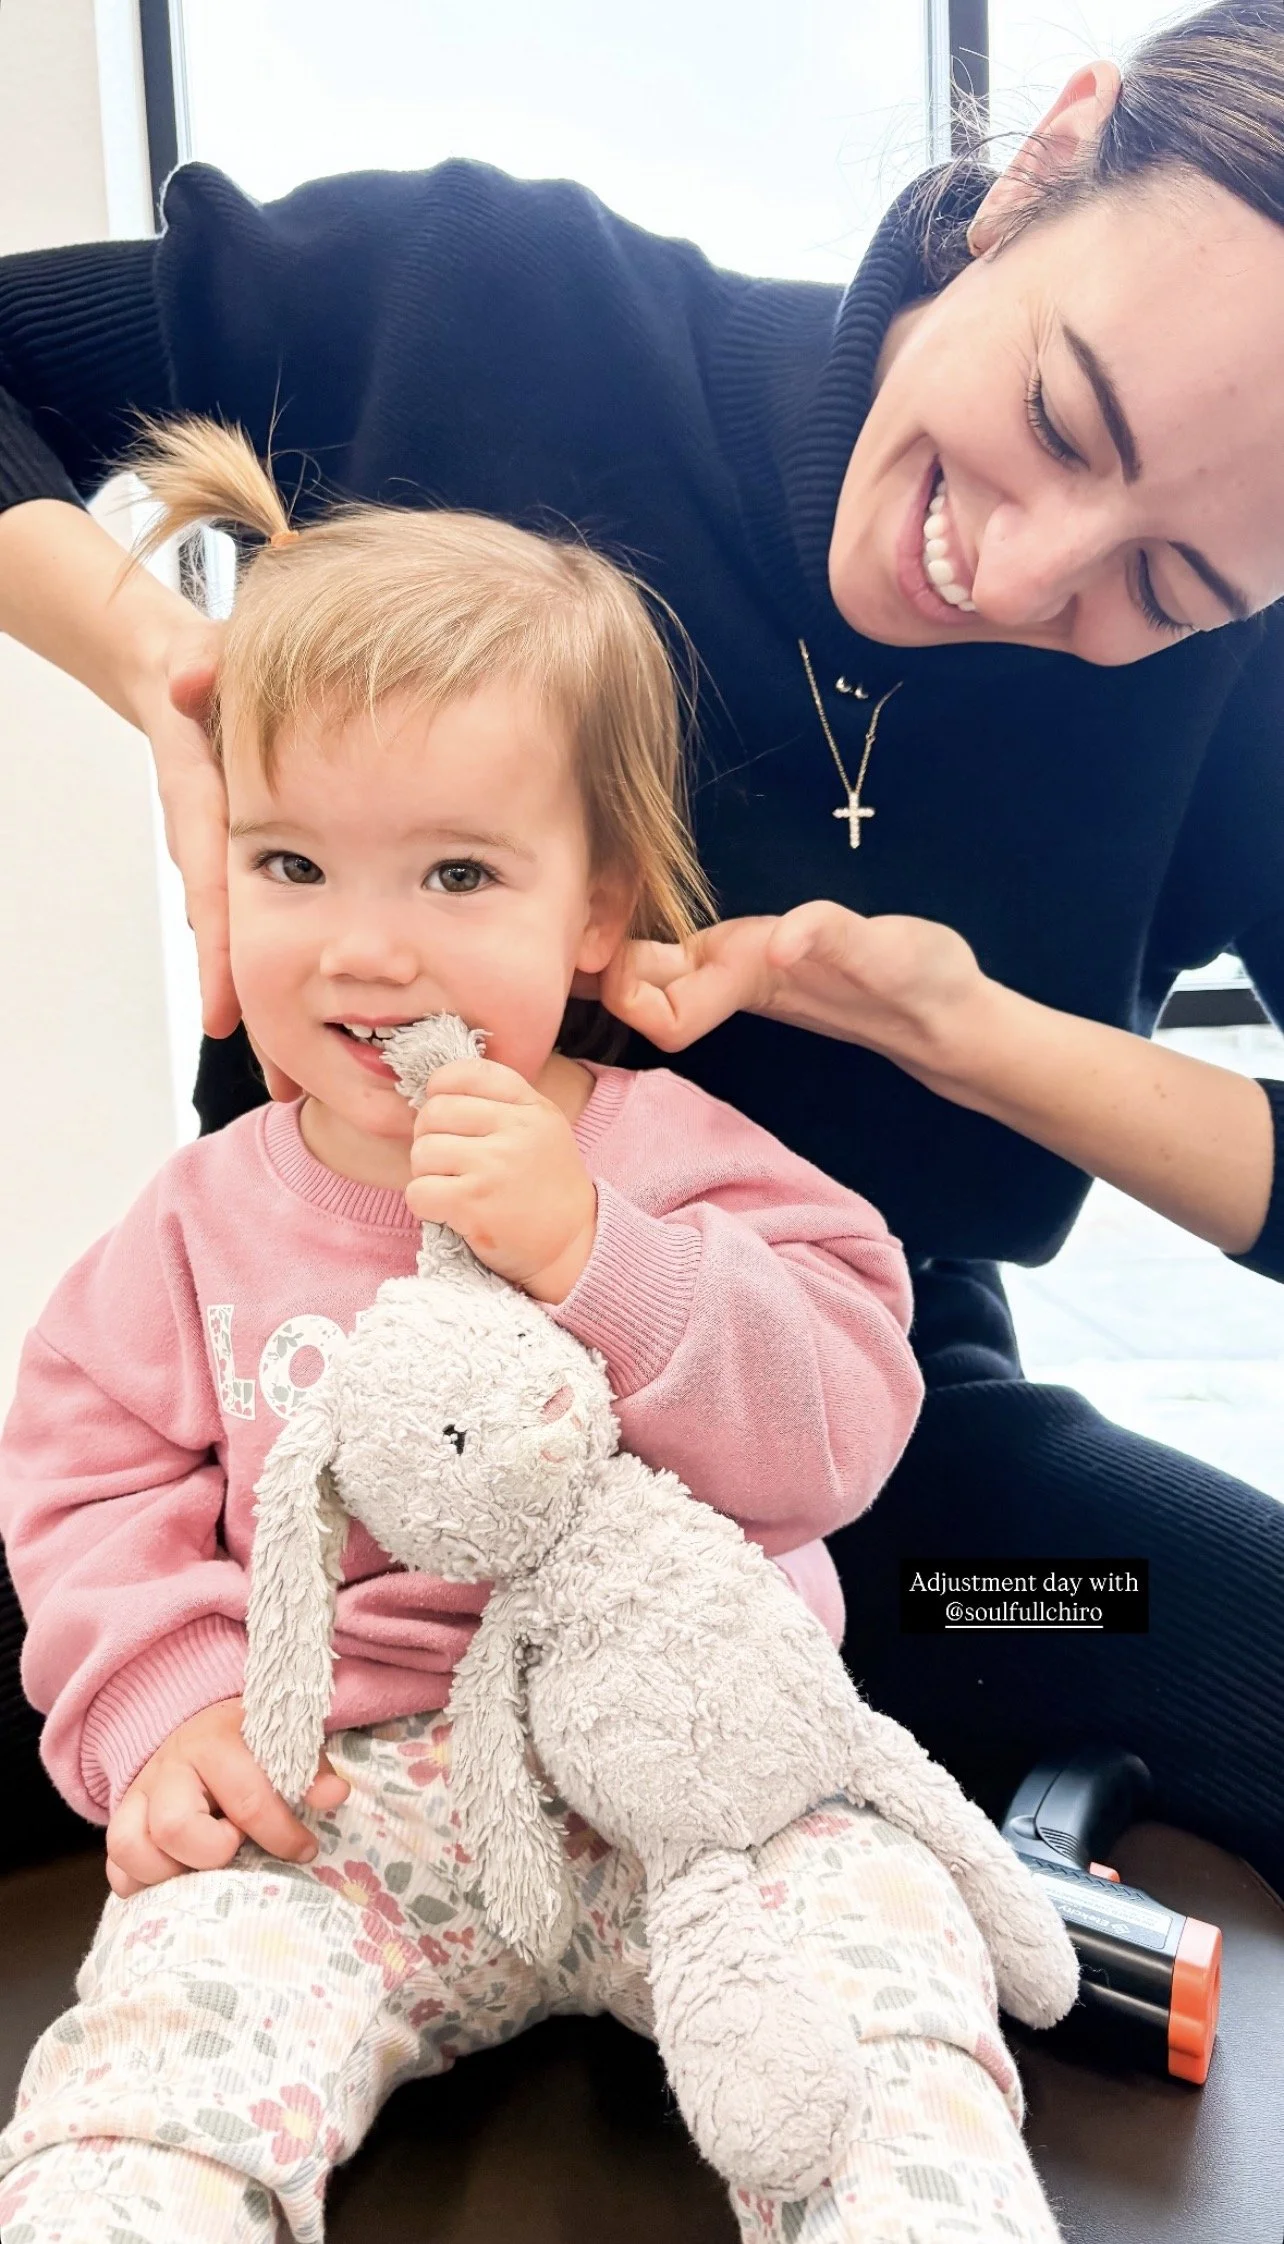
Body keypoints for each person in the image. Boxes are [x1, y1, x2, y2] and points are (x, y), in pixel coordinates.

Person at [0, 0, 1282, 1884]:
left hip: (848, 1514)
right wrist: (167, 677)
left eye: (1166, 583)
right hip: (297, 1446)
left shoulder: (1240, 701)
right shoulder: (488, 304)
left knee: (1157, 1627)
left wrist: (968, 1031)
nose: (1022, 578)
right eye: (1055, 418)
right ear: (1045, 161)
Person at [0, 421, 1070, 2244]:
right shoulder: (199, 1220)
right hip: (341, 1800)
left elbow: (842, 1424)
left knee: (885, 2006)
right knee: (156, 2051)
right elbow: (86, 1475)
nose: (363, 951)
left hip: (702, 1793)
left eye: (455, 878)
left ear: (597, 911)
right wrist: (172, 1702)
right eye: (291, 866)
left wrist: (600, 1254)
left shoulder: (675, 1157)